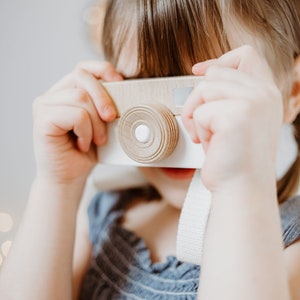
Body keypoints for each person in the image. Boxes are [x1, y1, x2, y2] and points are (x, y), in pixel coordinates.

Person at [1, 0, 300, 299]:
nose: (165, 131)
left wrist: (239, 183)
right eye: (138, 86)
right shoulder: (108, 215)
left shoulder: (287, 242)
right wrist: (57, 184)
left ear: (293, 92)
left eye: (206, 90)